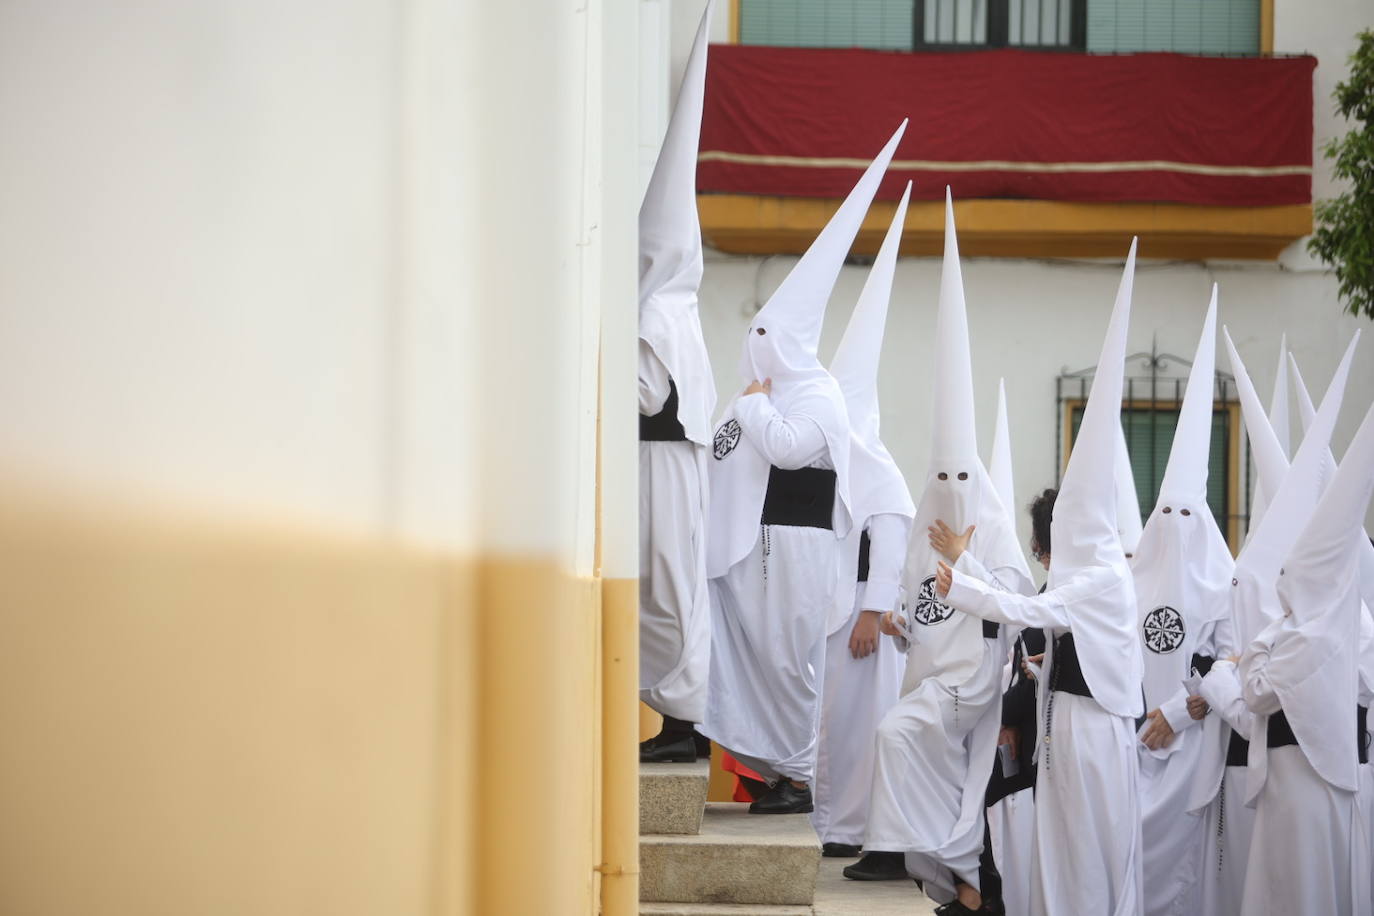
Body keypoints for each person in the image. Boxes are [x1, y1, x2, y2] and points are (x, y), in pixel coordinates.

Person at [701, 122, 905, 815]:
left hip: (798, 545)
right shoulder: (765, 394)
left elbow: (788, 449)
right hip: (758, 544)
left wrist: (755, 412)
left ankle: (795, 773)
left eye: (765, 335)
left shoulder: (815, 393)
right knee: (754, 651)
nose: (753, 345)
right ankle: (770, 764)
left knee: (789, 660)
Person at [936, 241, 1145, 916]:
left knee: (1091, 850)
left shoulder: (1103, 577)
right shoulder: (1083, 575)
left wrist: (960, 582)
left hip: (1092, 731)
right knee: (1061, 849)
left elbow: (1034, 611)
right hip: (1063, 725)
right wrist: (966, 567)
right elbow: (1033, 609)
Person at [845, 191, 1033, 916]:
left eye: (963, 478)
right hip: (930, 680)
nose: (952, 489)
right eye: (942, 478)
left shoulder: (985, 527)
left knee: (899, 735)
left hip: (974, 688)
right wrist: (897, 623)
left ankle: (929, 860)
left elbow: (1015, 595)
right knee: (904, 742)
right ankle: (946, 874)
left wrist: (968, 558)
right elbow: (913, 603)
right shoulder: (927, 526)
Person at [1238, 339, 1373, 916]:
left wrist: (1256, 650)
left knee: (1302, 890)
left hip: (1308, 779)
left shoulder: (1314, 634)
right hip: (1294, 779)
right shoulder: (1322, 627)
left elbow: (1254, 687)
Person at [813, 183, 915, 856]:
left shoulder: (880, 470)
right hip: (828, 611)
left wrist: (874, 613)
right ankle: (828, 822)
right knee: (828, 723)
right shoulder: (830, 461)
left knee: (857, 725)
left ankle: (853, 828)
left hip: (860, 619)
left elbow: (892, 537)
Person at [1131, 288, 1234, 916]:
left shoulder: (1225, 585)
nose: (1172, 522)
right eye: (1163, 511)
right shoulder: (1131, 577)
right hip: (1127, 743)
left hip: (1189, 746)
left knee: (1175, 877)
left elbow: (1230, 664)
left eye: (1185, 513)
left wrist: (1177, 711)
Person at [637, 1, 717, 763]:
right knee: (671, 587)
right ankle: (678, 716)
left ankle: (680, 719)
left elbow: (642, 393)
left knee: (662, 590)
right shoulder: (684, 309)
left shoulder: (658, 310)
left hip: (661, 462)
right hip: (679, 465)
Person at [985, 488, 1054, 916]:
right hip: (1030, 741)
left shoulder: (1056, 598)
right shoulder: (1046, 594)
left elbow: (1035, 673)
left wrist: (1003, 714)